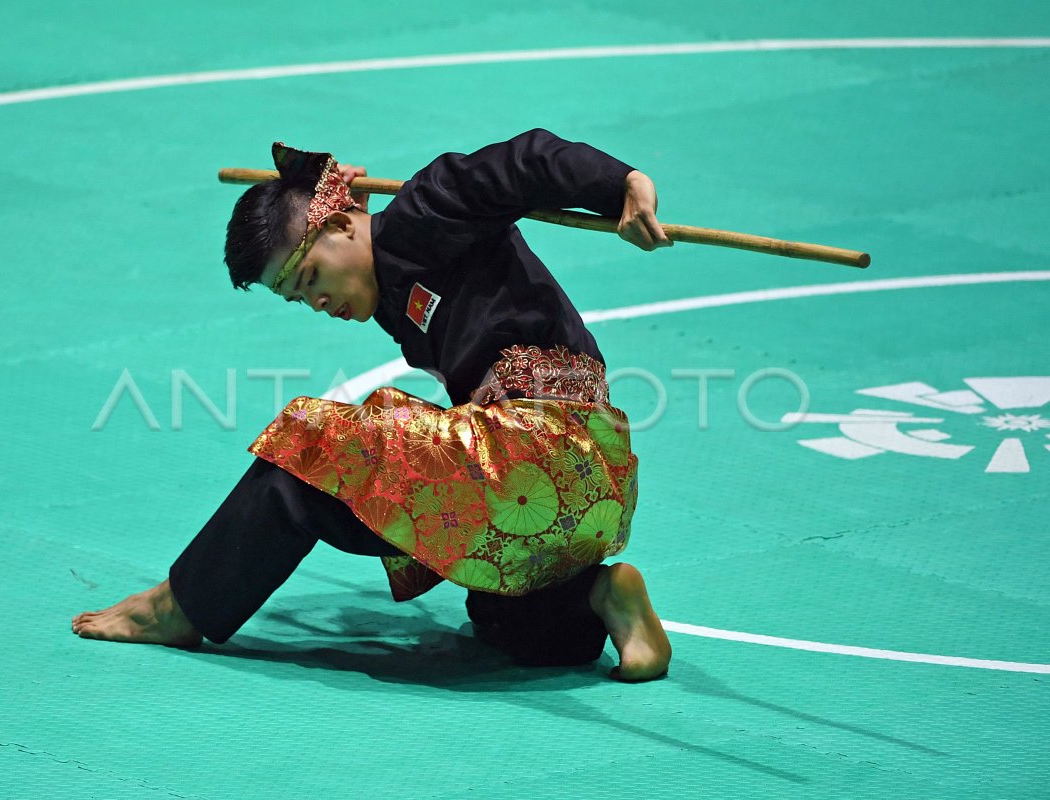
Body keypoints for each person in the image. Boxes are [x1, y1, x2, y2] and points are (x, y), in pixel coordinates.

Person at [72, 129, 673, 681]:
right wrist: (325, 181)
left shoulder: (426, 209)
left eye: (309, 279)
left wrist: (619, 184)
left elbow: (525, 161)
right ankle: (599, 597)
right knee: (504, 615)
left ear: (340, 224)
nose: (316, 303)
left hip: (537, 443)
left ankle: (179, 606)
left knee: (310, 444)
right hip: (575, 492)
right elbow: (339, 213)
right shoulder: (385, 280)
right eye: (295, 298)